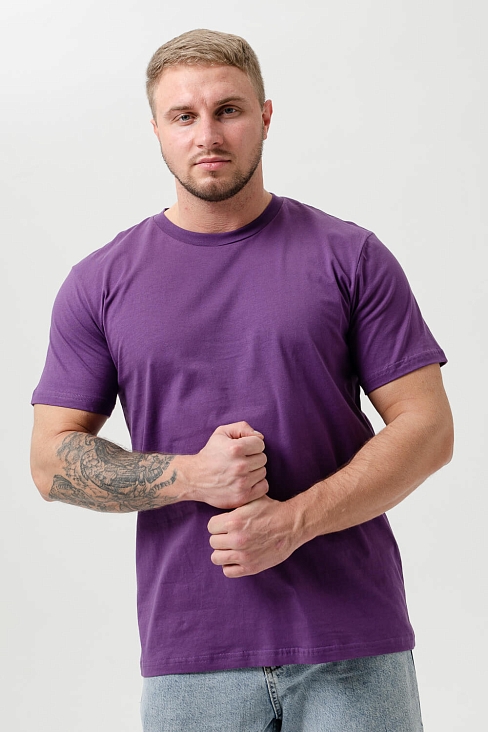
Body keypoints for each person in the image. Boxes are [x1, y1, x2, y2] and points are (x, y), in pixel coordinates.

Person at [31, 28, 453, 732]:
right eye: (183, 115)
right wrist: (192, 476)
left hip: (352, 643)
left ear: (264, 115)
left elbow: (428, 427)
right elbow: (49, 462)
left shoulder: (351, 256)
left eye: (228, 110)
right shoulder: (99, 282)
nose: (207, 135)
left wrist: (293, 523)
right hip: (190, 652)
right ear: (156, 129)